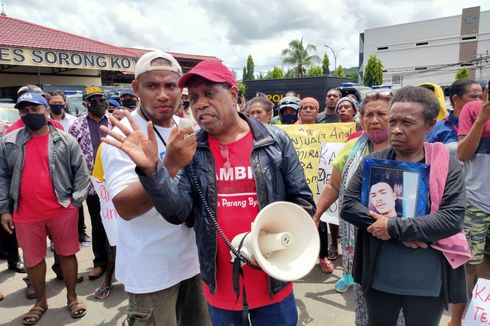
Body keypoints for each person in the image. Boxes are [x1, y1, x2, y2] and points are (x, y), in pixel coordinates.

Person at [102, 59, 315, 325]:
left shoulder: (275, 141)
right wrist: (153, 173)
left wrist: (281, 246)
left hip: (273, 279)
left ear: (234, 95)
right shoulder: (190, 148)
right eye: (193, 98)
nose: (200, 103)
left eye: (209, 93)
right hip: (220, 289)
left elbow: (303, 202)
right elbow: (179, 213)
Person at [341, 86, 467, 326]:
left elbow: (452, 218)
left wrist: (393, 227)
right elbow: (348, 205)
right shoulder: (374, 162)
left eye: (407, 122)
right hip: (378, 278)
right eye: (394, 121)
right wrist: (393, 228)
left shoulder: (446, 165)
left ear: (429, 125)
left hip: (427, 282)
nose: (397, 129)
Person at [100, 51, 209, 325]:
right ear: (136, 88)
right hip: (152, 273)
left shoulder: (186, 128)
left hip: (194, 262)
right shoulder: (125, 134)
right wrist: (168, 164)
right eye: (152, 86)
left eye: (170, 86)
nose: (163, 95)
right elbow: (124, 207)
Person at [0, 92, 89, 324]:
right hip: (25, 214)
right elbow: (3, 176)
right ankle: (40, 302)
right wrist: (5, 210)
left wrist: (75, 202)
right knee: (33, 259)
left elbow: (81, 171)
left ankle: (72, 297)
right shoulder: (9, 141)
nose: (30, 115)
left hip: (62, 209)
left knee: (67, 254)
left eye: (35, 109)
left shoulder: (65, 140)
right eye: (24, 111)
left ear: (46, 110)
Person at [313, 90, 395, 325]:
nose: (375, 120)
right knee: (366, 299)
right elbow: (333, 185)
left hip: (398, 235)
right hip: (360, 237)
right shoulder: (351, 149)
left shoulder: (408, 148)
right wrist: (317, 215)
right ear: (360, 117)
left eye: (382, 114)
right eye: (368, 114)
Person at [452, 92, 490, 326]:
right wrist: (481, 120)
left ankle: (479, 319)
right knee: (468, 267)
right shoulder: (474, 109)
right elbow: (462, 153)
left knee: (487, 266)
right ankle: (456, 321)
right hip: (475, 202)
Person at [68, 85, 111, 281]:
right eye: (94, 100)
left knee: (122, 224)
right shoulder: (76, 125)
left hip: (117, 182)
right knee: (99, 223)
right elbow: (72, 155)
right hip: (93, 186)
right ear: (86, 103)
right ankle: (100, 262)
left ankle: (119, 262)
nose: (99, 103)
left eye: (101, 99)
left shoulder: (116, 122)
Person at [425, 79, 482, 144]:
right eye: (473, 97)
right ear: (455, 99)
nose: (479, 101)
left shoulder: (484, 125)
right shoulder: (437, 129)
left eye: (481, 97)